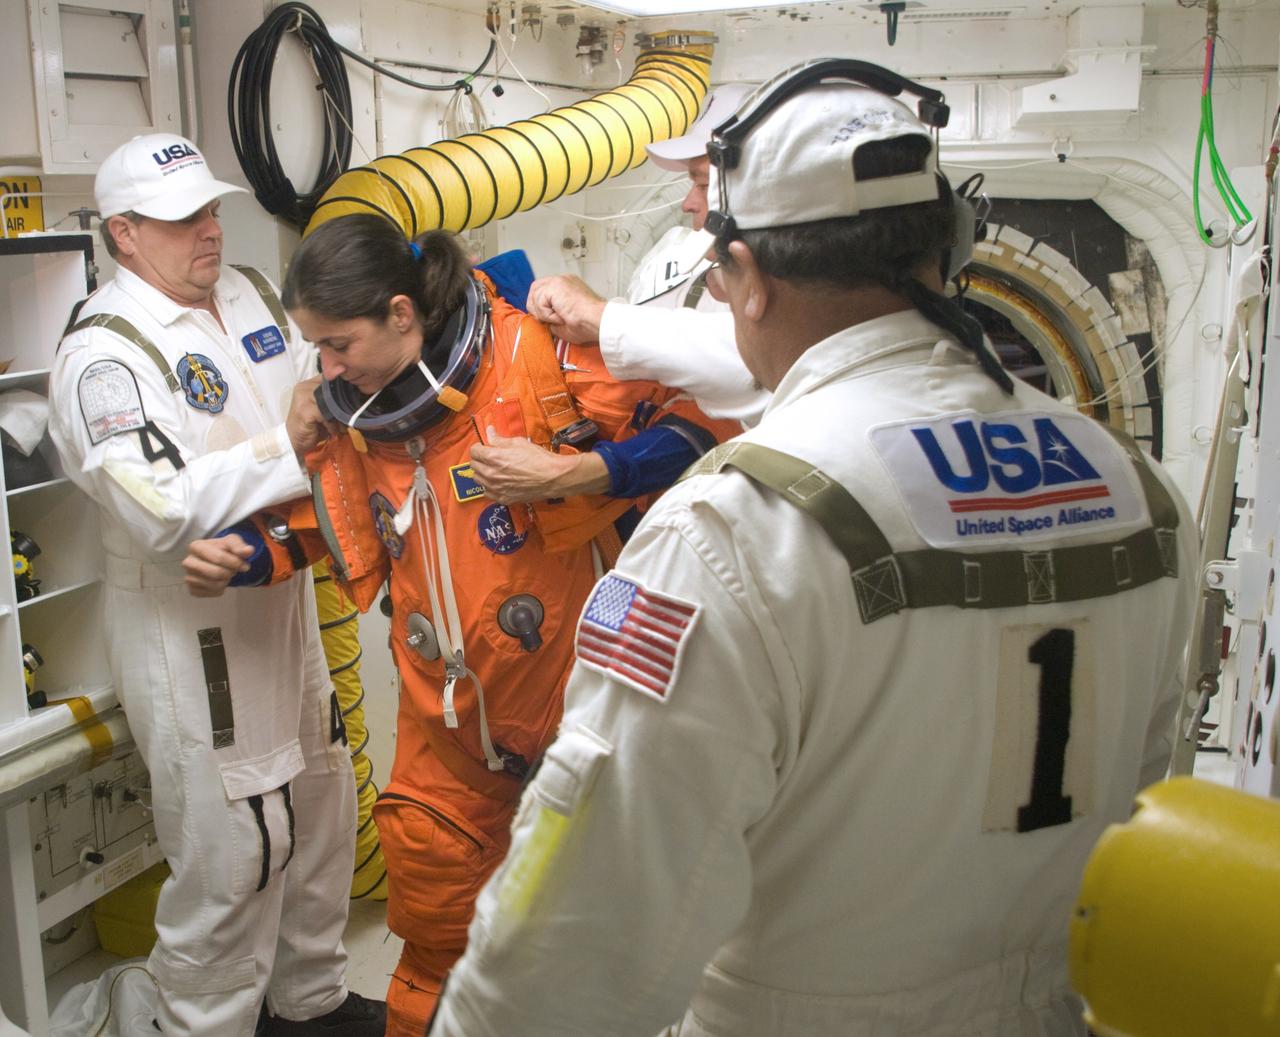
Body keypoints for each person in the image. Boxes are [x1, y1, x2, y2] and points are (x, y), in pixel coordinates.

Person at [425, 59, 1199, 1037]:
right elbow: (1133, 801)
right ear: (948, 249)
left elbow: (572, 934)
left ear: (742, 280)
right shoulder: (1134, 487)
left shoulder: (731, 529)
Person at [179, 214, 738, 1037]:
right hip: (446, 731)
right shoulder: (363, 414)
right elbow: (345, 517)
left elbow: (701, 430)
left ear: (402, 314)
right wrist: (250, 553)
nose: (326, 370)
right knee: (436, 944)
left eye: (338, 344)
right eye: (317, 350)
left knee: (600, 952)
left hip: (575, 715)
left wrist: (578, 471)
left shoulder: (537, 356)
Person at [48, 134, 383, 1037]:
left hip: (280, 594)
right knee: (237, 849)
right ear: (122, 234)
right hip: (192, 630)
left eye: (209, 208)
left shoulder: (243, 291)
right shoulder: (102, 357)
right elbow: (161, 508)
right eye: (179, 219)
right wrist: (293, 445)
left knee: (319, 802)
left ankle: (310, 1002)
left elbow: (310, 389)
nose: (207, 229)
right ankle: (205, 1022)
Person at [527, 82, 769, 428]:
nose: (688, 203)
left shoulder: (809, 299)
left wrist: (599, 316)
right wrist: (594, 317)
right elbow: (655, 339)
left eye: (703, 185)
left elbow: (750, 361)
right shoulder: (680, 259)